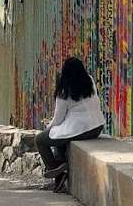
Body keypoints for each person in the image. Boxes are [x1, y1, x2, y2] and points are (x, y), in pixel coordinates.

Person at [35, 56, 105, 191]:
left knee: (40, 139)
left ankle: (55, 168)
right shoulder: (89, 80)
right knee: (59, 136)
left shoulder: (64, 90)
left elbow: (58, 118)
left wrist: (48, 127)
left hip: (81, 129)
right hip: (96, 126)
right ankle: (60, 175)